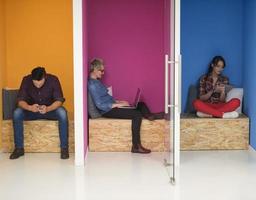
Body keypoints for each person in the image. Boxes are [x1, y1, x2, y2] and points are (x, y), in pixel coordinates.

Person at [88, 58, 164, 154]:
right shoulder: (92, 85)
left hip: (112, 106)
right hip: (107, 110)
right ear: (95, 69)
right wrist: (117, 105)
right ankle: (136, 146)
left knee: (140, 104)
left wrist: (119, 101)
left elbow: (105, 98)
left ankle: (150, 116)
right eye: (101, 71)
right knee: (136, 114)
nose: (103, 73)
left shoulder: (97, 82)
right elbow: (100, 105)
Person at [10, 67, 69, 159]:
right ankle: (19, 149)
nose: (37, 86)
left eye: (40, 83)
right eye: (35, 83)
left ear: (44, 77)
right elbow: (20, 101)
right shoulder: (26, 80)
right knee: (17, 113)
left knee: (62, 113)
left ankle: (64, 148)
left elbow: (59, 100)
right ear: (32, 78)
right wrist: (29, 107)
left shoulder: (53, 79)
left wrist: (48, 108)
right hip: (31, 111)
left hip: (49, 110)